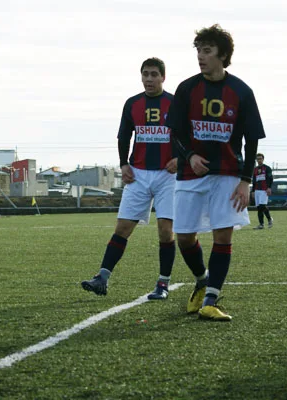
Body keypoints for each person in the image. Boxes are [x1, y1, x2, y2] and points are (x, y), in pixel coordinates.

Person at [166, 24, 265, 321]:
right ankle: (202, 279)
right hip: (190, 174)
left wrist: (246, 181)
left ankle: (211, 299)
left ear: (222, 54)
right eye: (198, 50)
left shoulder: (241, 91)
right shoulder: (186, 89)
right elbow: (176, 134)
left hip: (228, 174)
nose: (200, 56)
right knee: (183, 236)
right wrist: (191, 155)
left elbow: (252, 140)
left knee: (223, 237)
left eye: (207, 51)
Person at [81, 58, 177, 300]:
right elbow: (124, 136)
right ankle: (101, 277)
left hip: (169, 175)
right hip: (139, 173)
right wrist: (124, 163)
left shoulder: (176, 103)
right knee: (122, 228)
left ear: (163, 77)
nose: (149, 79)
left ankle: (163, 285)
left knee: (166, 231)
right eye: (145, 74)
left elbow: (188, 136)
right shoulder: (133, 104)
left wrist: (181, 160)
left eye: (154, 74)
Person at [251, 153, 273, 229]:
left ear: (263, 159)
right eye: (258, 159)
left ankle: (262, 224)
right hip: (257, 190)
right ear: (256, 160)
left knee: (262, 206)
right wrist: (253, 191)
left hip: (264, 190)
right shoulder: (255, 169)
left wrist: (269, 187)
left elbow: (270, 178)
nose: (259, 160)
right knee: (259, 207)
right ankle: (268, 220)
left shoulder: (267, 168)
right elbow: (254, 181)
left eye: (260, 158)